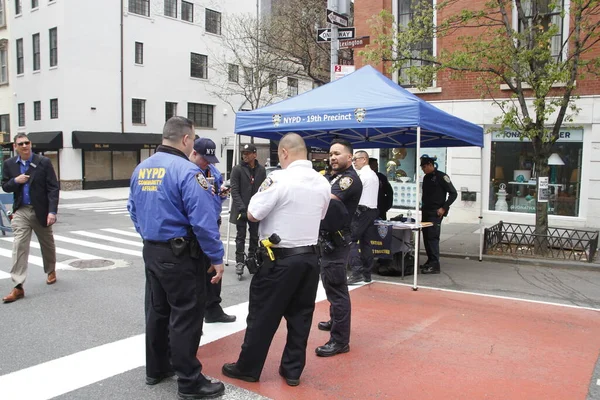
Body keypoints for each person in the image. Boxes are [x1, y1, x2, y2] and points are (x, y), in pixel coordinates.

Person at [128, 116, 226, 399]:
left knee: (158, 311)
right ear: (186, 139)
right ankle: (189, 381)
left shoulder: (141, 168)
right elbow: (203, 220)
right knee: (186, 314)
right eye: (193, 139)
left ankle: (157, 369)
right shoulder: (187, 171)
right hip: (181, 253)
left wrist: (150, 234)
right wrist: (216, 256)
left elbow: (133, 209)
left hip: (153, 249)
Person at [222, 133, 330, 386]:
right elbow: (322, 215)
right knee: (301, 317)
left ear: (283, 152)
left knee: (262, 315)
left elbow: (253, 213)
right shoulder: (322, 182)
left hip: (279, 260)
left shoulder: (279, 179)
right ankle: (292, 371)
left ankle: (248, 367)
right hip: (310, 259)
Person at [316, 139, 362, 357]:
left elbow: (327, 198)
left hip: (337, 241)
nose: (332, 157)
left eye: (337, 154)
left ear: (349, 157)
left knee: (337, 289)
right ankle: (335, 320)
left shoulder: (348, 180)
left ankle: (340, 340)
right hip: (329, 240)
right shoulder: (334, 176)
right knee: (330, 284)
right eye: (330, 153)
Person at [2, 133, 59, 303]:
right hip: (21, 210)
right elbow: (5, 186)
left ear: (31, 144)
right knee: (19, 244)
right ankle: (18, 286)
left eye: (27, 143)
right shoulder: (9, 164)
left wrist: (52, 212)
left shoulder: (43, 162)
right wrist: (16, 181)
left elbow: (53, 188)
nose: (25, 146)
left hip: (41, 210)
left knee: (47, 243)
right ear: (15, 147)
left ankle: (51, 270)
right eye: (21, 144)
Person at [190, 138, 236, 324]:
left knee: (212, 268)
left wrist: (223, 192)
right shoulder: (188, 173)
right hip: (196, 228)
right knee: (194, 272)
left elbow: (218, 192)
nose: (207, 162)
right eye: (205, 158)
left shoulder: (213, 171)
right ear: (194, 153)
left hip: (212, 223)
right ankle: (194, 316)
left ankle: (213, 308)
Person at [230, 143, 266, 278]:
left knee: (255, 235)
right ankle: (239, 261)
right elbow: (234, 190)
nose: (245, 155)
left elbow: (262, 190)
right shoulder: (237, 169)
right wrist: (242, 208)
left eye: (248, 153)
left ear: (254, 154)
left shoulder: (261, 170)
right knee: (240, 236)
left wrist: (259, 207)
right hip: (241, 209)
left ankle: (252, 258)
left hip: (255, 209)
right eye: (243, 153)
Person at [419, 155, 457, 274]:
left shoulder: (441, 177)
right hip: (426, 211)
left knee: (432, 237)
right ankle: (430, 260)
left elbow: (453, 193)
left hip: (436, 212)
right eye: (422, 167)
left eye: (425, 167)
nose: (423, 169)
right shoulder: (426, 178)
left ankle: (435, 264)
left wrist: (444, 208)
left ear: (431, 165)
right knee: (426, 237)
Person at [347, 151, 380, 285]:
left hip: (361, 211)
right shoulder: (372, 174)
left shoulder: (362, 175)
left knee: (351, 240)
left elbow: (352, 193)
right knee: (366, 243)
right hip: (371, 211)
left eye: (356, 159)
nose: (354, 162)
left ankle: (356, 271)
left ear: (364, 159)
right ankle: (367, 273)